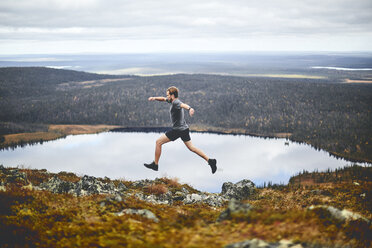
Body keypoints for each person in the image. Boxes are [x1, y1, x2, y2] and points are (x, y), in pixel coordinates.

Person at [144, 86, 217, 174]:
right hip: (184, 129)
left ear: (172, 95)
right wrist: (154, 98)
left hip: (177, 130)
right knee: (192, 148)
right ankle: (210, 161)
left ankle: (155, 164)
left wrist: (190, 109)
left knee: (158, 142)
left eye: (168, 95)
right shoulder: (171, 100)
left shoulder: (176, 102)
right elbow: (163, 99)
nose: (166, 97)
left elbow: (183, 105)